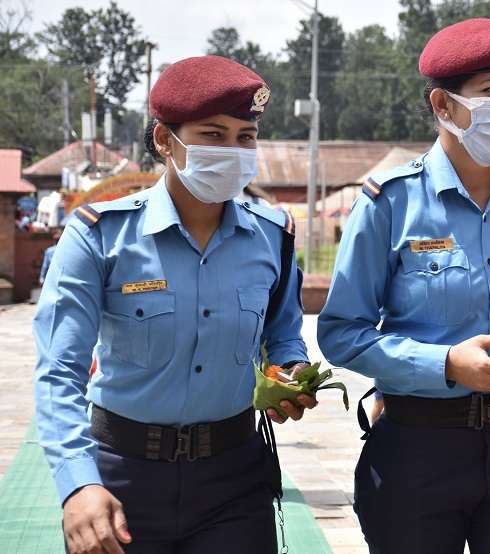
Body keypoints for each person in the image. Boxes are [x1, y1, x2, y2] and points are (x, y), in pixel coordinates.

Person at [318, 18, 490, 554]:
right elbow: (342, 332)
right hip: (419, 444)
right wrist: (444, 365)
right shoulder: (389, 202)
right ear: (443, 106)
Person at [33, 55, 316, 554]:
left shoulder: (273, 237)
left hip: (234, 479)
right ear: (165, 141)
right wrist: (78, 484)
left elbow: (283, 333)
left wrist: (290, 372)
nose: (232, 151)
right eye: (212, 134)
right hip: (122, 476)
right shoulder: (100, 236)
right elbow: (60, 371)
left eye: (244, 138)